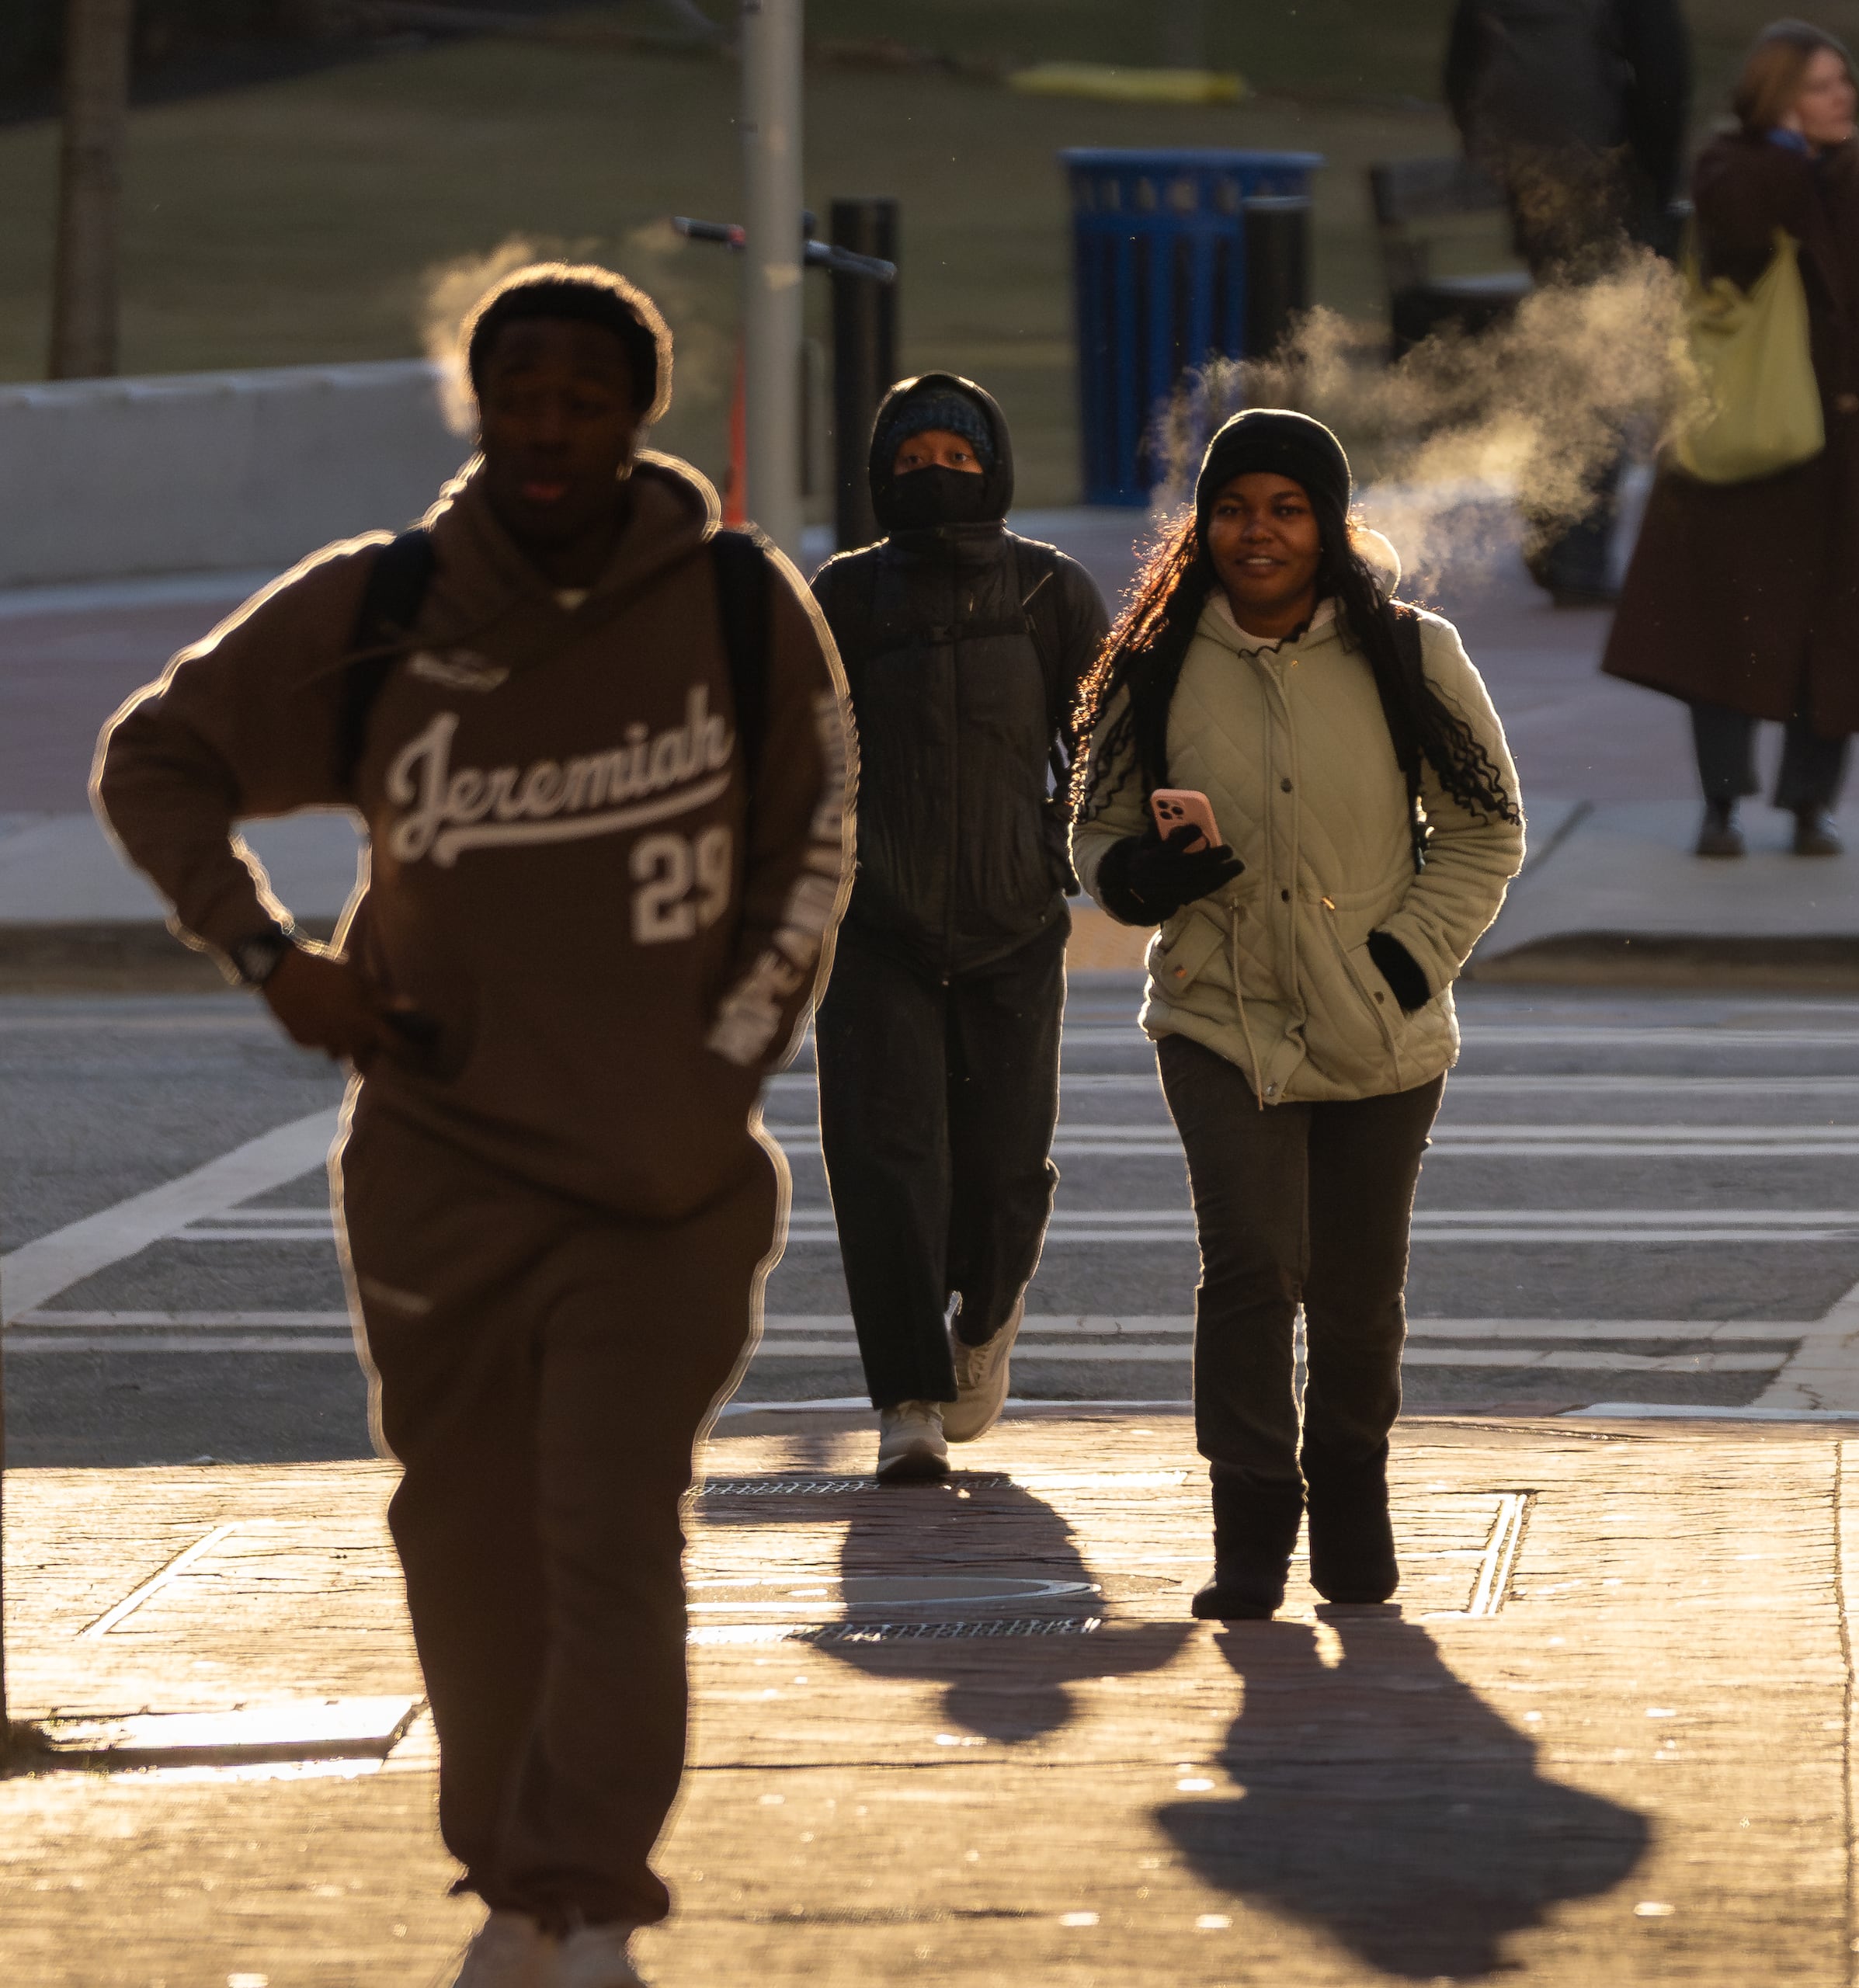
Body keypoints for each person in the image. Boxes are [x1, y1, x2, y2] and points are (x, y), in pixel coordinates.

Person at [92, 265, 853, 1988]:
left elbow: (813, 848)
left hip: (662, 1184)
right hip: (437, 1161)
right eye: (521, 394)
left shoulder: (737, 605)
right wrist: (268, 954)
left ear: (640, 410)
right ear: (478, 403)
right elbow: (159, 756)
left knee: (607, 1526)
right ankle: (509, 1880)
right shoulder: (387, 605)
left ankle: (588, 1891)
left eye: (587, 396)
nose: (550, 427)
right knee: (463, 1529)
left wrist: (718, 1064)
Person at [1069, 409, 1526, 1620]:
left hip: (1380, 1027)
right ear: (1199, 526)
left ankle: (1354, 1497)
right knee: (1253, 1267)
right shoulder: (1155, 662)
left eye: (1285, 508)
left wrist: (1403, 960)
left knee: (1359, 1287)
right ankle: (1252, 1525)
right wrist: (1143, 882)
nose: (1256, 532)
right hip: (1218, 1019)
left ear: (1330, 525)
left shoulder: (1410, 655)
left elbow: (1487, 831)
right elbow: (1098, 828)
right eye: (1232, 509)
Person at [807, 374, 1112, 1486]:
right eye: (912, 454)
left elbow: (1103, 748)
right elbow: (794, 755)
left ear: (997, 466)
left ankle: (983, 1323)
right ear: (881, 473)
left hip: (1014, 930)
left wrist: (1062, 856)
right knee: (886, 1167)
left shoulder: (1048, 593)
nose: (934, 470)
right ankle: (906, 1399)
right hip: (873, 933)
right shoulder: (842, 596)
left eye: (958, 452)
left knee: (1003, 1171)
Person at [1601, 19, 1859, 857]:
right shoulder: (1734, 172)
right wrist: (1785, 160)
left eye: (1844, 82)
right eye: (1820, 87)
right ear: (1776, 99)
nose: (1842, 98)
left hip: (1839, 446)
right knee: (1727, 627)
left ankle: (1811, 803)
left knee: (1835, 633)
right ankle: (1721, 804)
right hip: (1742, 438)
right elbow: (1739, 245)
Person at [1444, 0, 1694, 604]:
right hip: (1609, 182)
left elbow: (1460, 71)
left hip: (1537, 180)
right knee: (1597, 363)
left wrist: (1506, 164)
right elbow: (1665, 80)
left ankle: (1556, 527)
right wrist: (1655, 193)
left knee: (1568, 348)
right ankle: (1575, 546)